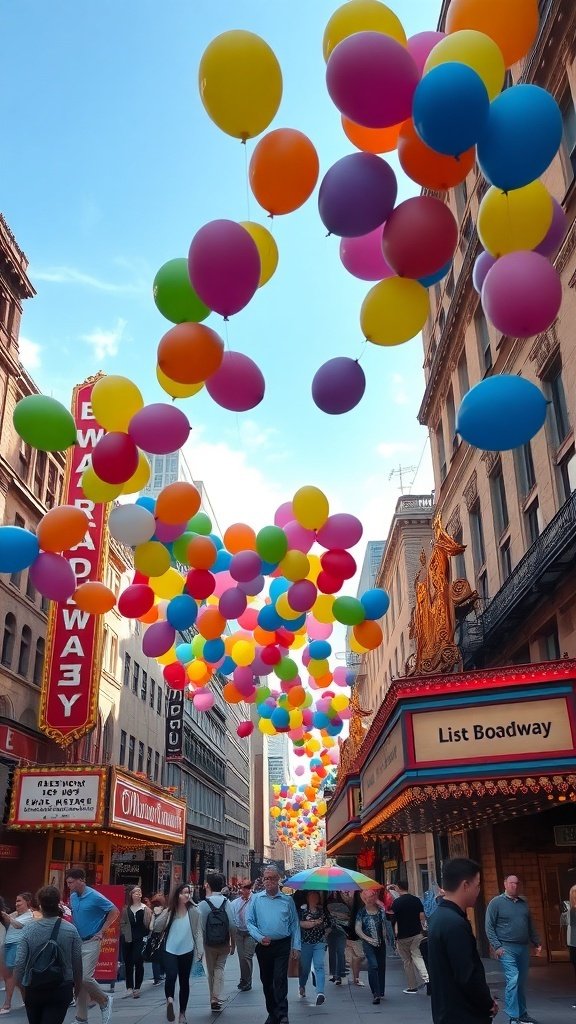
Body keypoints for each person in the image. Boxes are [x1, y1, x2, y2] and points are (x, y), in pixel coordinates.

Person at [428, 857, 497, 1024]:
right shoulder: (454, 924)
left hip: (447, 1011)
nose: (479, 890)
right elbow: (467, 975)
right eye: (477, 884)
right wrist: (487, 1003)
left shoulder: (439, 916)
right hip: (463, 1013)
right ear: (465, 885)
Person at [13, 885, 83, 1024]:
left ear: (39, 904)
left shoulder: (29, 930)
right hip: (61, 987)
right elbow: (77, 964)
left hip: (34, 987)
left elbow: (20, 963)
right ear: (58, 903)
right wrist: (77, 988)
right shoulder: (71, 930)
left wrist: (22, 987)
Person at [247, 866, 300, 1024]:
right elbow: (250, 922)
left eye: (272, 878)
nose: (268, 881)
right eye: (266, 878)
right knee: (267, 981)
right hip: (264, 946)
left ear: (278, 880)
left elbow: (294, 924)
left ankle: (283, 1013)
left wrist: (296, 946)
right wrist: (259, 937)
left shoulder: (287, 900)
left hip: (282, 945)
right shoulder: (256, 899)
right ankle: (272, 1012)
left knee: (279, 979)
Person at [485, 875, 541, 1024]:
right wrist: (497, 946)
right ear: (505, 884)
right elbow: (489, 926)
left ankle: (522, 1014)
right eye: (511, 883)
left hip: (522, 947)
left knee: (521, 982)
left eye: (517, 883)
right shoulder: (496, 903)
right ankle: (513, 1016)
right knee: (513, 978)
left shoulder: (523, 903)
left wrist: (536, 942)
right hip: (506, 947)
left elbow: (530, 924)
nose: (514, 886)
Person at [66, 867, 117, 1024]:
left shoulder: (95, 896)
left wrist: (102, 931)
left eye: (71, 882)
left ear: (81, 880)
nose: (68, 885)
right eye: (67, 882)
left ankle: (104, 1000)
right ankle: (81, 1018)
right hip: (77, 941)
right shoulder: (73, 896)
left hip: (91, 941)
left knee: (85, 977)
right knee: (78, 981)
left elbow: (114, 911)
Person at [152, 883, 203, 1024]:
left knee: (184, 982)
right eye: (183, 893)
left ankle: (182, 1014)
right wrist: (163, 912)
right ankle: (169, 1001)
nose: (186, 895)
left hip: (187, 950)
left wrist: (200, 951)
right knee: (171, 976)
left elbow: (198, 932)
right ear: (177, 895)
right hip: (170, 950)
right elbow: (156, 927)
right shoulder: (169, 912)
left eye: (188, 892)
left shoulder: (194, 911)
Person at [197, 872, 236, 1013]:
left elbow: (199, 928)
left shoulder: (202, 905)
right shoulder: (227, 903)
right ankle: (216, 996)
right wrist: (233, 942)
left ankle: (212, 998)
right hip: (224, 942)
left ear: (208, 885)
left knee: (210, 970)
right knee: (220, 967)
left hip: (208, 944)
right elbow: (232, 924)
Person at [388, 881, 429, 994]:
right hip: (417, 933)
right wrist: (423, 927)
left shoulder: (396, 903)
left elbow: (394, 921)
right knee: (417, 956)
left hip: (403, 935)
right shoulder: (416, 900)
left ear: (398, 888)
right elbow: (422, 916)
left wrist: (395, 935)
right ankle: (427, 978)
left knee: (407, 961)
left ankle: (412, 986)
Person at [0, 893, 35, 1015]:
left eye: (19, 901)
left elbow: (17, 925)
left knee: (10, 975)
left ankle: (7, 1004)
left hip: (17, 944)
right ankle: (28, 1000)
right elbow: (6, 919)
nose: (16, 904)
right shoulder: (16, 914)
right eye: (16, 901)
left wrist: (6, 916)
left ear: (27, 902)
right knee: (17, 978)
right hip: (8, 944)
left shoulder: (29, 915)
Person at [355, 888, 387, 1005]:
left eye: (371, 897)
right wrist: (368, 939)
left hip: (380, 943)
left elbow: (384, 926)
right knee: (373, 965)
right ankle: (376, 993)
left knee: (381, 966)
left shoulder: (380, 911)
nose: (369, 899)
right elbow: (358, 929)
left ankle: (381, 990)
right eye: (366, 897)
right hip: (368, 943)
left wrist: (387, 938)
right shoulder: (361, 912)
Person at [297, 891, 329, 1006]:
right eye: (311, 897)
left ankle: (320, 993)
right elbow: (299, 923)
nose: (314, 899)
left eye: (316, 897)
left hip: (319, 942)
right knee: (305, 968)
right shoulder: (302, 910)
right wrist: (314, 923)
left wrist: (321, 926)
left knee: (319, 965)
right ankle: (302, 985)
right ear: (307, 898)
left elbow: (328, 924)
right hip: (305, 943)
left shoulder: (322, 911)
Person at [119, 886, 151, 999]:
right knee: (128, 962)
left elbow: (149, 923)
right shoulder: (125, 909)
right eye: (135, 892)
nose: (138, 894)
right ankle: (129, 987)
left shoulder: (145, 909)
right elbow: (122, 923)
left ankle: (137, 987)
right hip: (127, 938)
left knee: (138, 961)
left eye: (139, 892)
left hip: (140, 937)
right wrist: (123, 933)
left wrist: (147, 935)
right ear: (131, 895)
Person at [231, 882, 256, 992]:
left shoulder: (255, 901)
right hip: (239, 933)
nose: (243, 891)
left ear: (250, 890)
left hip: (250, 933)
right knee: (242, 958)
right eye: (242, 889)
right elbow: (231, 917)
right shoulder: (235, 903)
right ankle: (244, 980)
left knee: (247, 957)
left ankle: (247, 981)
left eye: (245, 889)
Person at [324, 892, 348, 984]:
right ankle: (335, 974)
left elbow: (347, 915)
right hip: (331, 930)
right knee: (333, 952)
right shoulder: (326, 899)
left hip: (341, 930)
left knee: (340, 952)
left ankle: (339, 974)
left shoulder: (342, 898)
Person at [150, 895, 167, 986]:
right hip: (161, 935)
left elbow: (150, 925)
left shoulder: (152, 910)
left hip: (154, 935)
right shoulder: (164, 911)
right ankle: (160, 975)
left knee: (155, 957)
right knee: (161, 955)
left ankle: (157, 977)